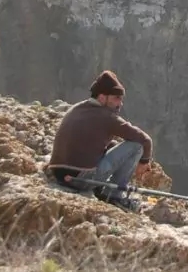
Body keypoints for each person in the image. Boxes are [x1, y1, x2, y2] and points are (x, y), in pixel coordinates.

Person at [46, 70, 154, 213]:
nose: (120, 104)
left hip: (60, 175)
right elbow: (145, 140)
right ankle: (113, 194)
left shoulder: (77, 109)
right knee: (136, 147)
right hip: (81, 180)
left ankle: (102, 188)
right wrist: (144, 161)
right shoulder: (107, 117)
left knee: (114, 146)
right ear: (102, 97)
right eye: (116, 98)